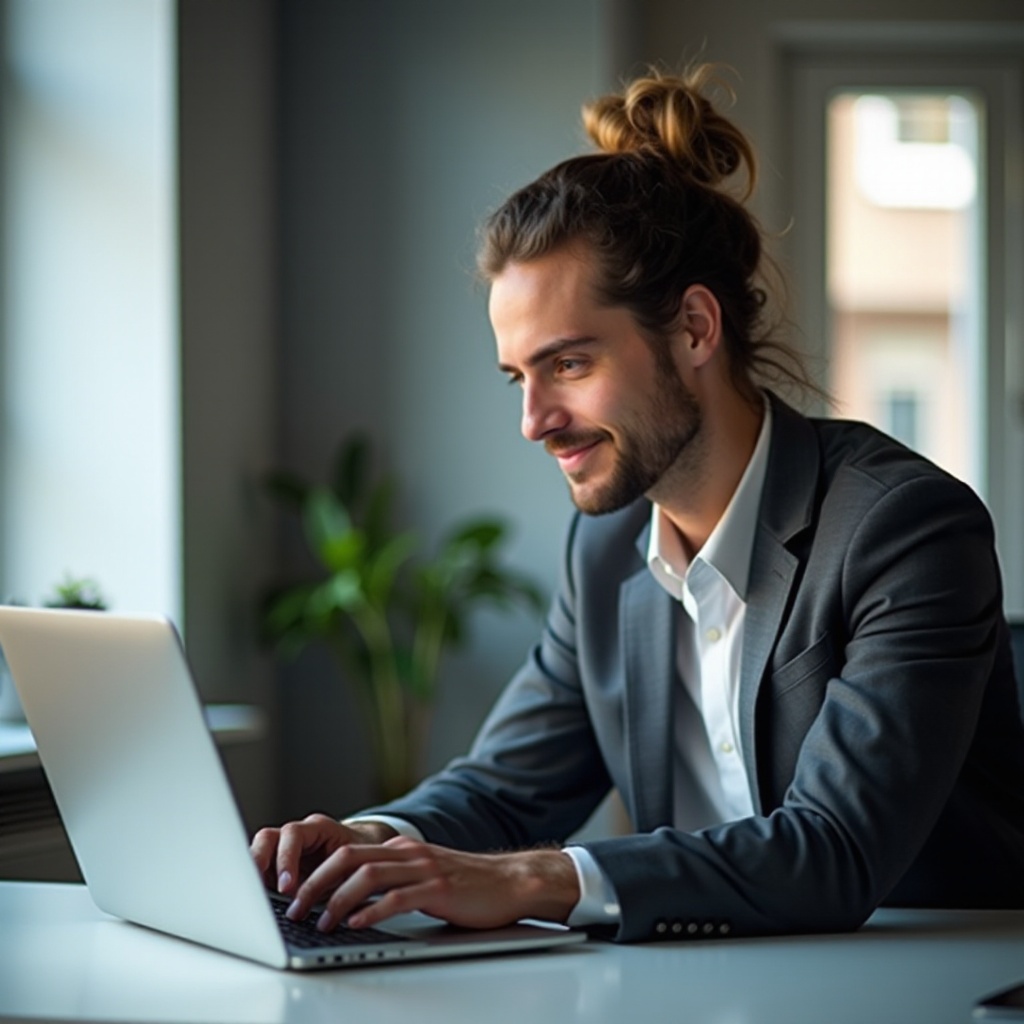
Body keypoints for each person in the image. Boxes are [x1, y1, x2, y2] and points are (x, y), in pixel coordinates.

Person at [251, 64, 1024, 942]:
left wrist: (529, 879)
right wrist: (368, 844)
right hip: (699, 986)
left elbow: (836, 850)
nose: (534, 420)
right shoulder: (608, 549)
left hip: (932, 984)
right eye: (519, 376)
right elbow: (505, 785)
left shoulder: (904, 527)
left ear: (695, 328)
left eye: (570, 364)